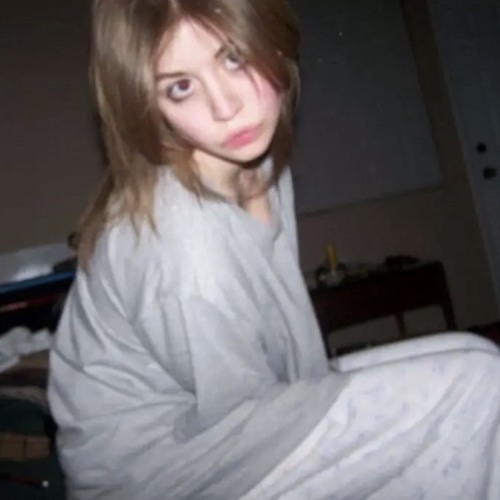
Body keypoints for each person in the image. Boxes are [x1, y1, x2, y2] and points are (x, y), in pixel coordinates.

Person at [48, 1, 500, 499]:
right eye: (180, 87)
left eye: (233, 57)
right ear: (150, 107)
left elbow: (281, 347)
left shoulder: (256, 166)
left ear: (273, 40)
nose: (225, 107)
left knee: (479, 355)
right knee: (473, 385)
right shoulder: (187, 247)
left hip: (232, 421)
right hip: (162, 471)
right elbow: (239, 412)